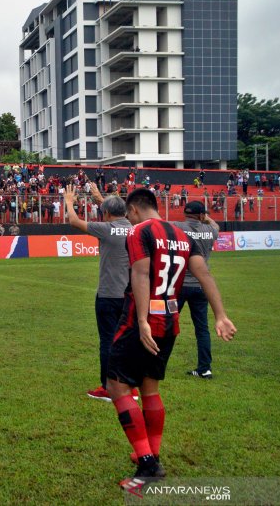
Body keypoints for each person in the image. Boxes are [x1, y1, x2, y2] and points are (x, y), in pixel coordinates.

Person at [108, 189, 236, 488]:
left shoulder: (139, 231)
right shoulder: (181, 234)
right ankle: (152, 452)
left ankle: (147, 463)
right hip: (170, 318)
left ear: (134, 210)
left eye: (128, 214)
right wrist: (221, 315)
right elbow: (204, 275)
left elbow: (140, 274)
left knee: (116, 385)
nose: (129, 219)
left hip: (143, 318)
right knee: (149, 386)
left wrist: (140, 321)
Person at [63, 184, 135, 402]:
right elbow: (114, 212)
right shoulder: (134, 228)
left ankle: (108, 388)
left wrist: (68, 201)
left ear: (106, 213)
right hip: (130, 295)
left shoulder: (106, 229)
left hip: (107, 294)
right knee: (126, 341)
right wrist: (99, 198)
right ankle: (129, 386)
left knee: (107, 341)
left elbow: (74, 221)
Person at [172, 201, 219, 379]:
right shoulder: (210, 230)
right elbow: (215, 225)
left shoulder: (177, 227)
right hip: (201, 286)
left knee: (167, 324)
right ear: (201, 215)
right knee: (202, 329)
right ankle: (205, 368)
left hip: (179, 284)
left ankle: (154, 362)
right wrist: (206, 218)